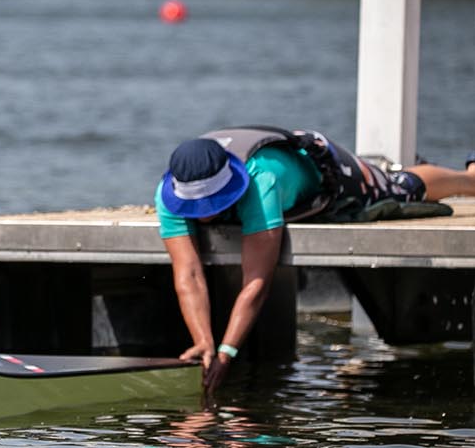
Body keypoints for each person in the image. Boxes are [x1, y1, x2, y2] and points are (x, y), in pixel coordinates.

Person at [157, 126, 475, 391]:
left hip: (329, 172)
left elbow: (256, 282)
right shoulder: (167, 193)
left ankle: (469, 177)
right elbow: (189, 274)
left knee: (401, 187)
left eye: (210, 206)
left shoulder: (259, 183)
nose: (202, 216)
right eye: (195, 209)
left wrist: (227, 352)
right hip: (279, 160)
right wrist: (203, 341)